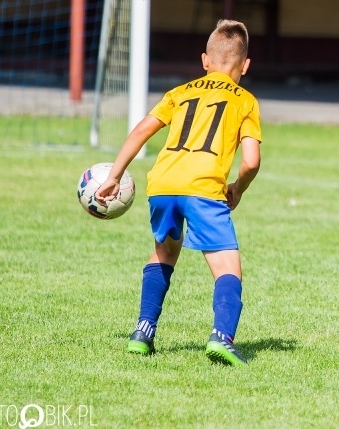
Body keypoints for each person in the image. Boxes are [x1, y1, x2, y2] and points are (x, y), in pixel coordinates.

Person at [95, 19, 261, 366]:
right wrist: (238, 189)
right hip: (203, 189)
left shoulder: (180, 92)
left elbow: (141, 130)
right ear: (245, 66)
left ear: (205, 60)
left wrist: (114, 175)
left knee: (164, 253)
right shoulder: (245, 101)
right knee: (228, 267)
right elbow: (251, 162)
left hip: (163, 185)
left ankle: (143, 332)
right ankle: (221, 338)